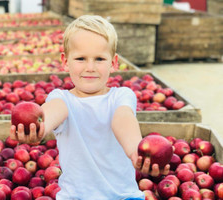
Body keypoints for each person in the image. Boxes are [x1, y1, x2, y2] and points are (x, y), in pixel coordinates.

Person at [10, 15, 170, 200]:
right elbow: (52, 111)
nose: (90, 67)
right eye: (80, 58)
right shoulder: (62, 98)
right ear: (65, 61)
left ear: (113, 62)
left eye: (100, 59)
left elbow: (123, 120)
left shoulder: (121, 96)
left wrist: (136, 150)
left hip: (122, 196)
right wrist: (40, 127)